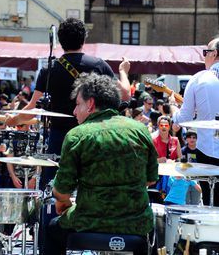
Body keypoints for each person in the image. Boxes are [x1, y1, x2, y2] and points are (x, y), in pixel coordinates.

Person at [44, 73, 158, 255]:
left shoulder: (77, 135)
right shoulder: (140, 130)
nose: (74, 111)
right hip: (136, 224)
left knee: (51, 228)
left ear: (90, 104)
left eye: (78, 104)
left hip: (89, 221)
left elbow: (61, 191)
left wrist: (63, 204)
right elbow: (151, 180)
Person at [6, 19, 131, 176]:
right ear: (84, 39)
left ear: (60, 40)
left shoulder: (49, 70)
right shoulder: (98, 65)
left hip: (59, 139)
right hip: (91, 136)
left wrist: (12, 120)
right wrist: (123, 71)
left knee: (54, 188)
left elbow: (31, 108)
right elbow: (126, 94)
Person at [170, 36, 219, 206]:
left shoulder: (199, 78)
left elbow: (184, 118)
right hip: (209, 149)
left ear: (215, 54)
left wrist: (172, 109)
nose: (204, 56)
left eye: (206, 52)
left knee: (210, 201)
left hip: (209, 151)